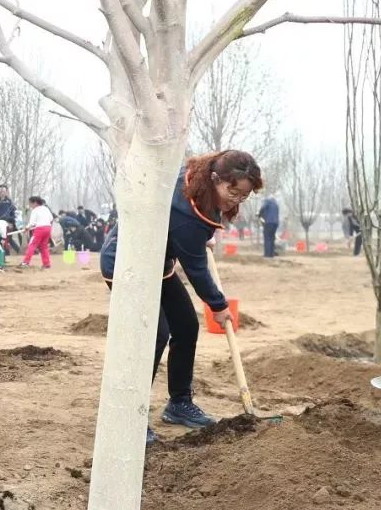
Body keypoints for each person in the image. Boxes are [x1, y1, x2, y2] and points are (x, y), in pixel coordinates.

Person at [101, 150, 263, 444]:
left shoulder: (196, 180)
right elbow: (197, 269)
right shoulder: (187, 213)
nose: (236, 200)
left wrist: (202, 236)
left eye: (243, 196)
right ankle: (129, 417)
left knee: (186, 326)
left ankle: (179, 404)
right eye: (233, 191)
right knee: (156, 334)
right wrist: (219, 306)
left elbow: (189, 235)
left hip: (155, 266)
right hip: (126, 266)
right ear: (215, 178)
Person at [20, 196, 54, 268]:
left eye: (30, 203)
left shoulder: (35, 210)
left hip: (40, 229)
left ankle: (25, 262)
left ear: (35, 203)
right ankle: (46, 263)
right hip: (48, 228)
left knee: (32, 245)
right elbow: (51, 218)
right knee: (44, 246)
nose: (30, 205)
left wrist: (26, 228)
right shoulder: (46, 208)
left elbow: (32, 223)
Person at [0, 185, 19, 254]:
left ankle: (13, 252)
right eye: (1, 191)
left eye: (4, 191)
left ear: (6, 192)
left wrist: (12, 222)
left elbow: (14, 212)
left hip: (7, 223)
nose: (2, 193)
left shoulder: (9, 202)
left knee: (8, 238)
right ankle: (0, 253)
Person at [258, 194, 279, 258]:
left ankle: (267, 255)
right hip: (275, 223)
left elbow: (263, 208)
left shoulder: (268, 201)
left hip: (269, 222)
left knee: (267, 238)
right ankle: (271, 254)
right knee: (272, 238)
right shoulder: (276, 204)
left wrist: (259, 214)